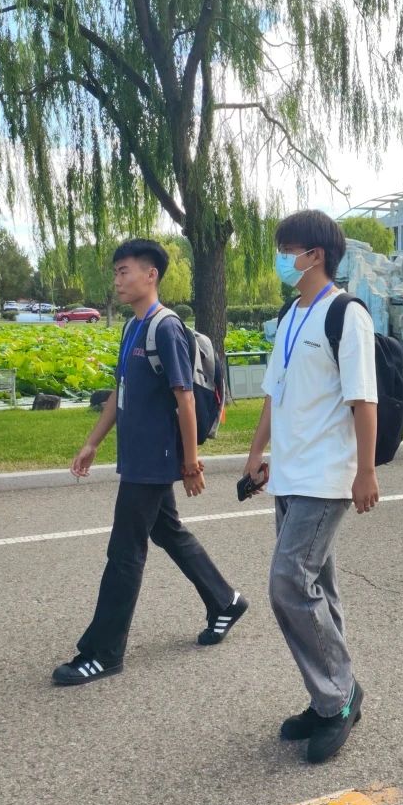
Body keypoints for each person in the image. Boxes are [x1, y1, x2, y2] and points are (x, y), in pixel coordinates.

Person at [55, 239, 246, 687]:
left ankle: (104, 653)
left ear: (150, 275)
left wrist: (191, 464)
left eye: (124, 271)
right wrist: (92, 443)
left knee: (125, 553)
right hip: (137, 456)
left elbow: (185, 400)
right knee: (168, 532)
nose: (117, 280)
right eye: (116, 272)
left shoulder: (165, 328)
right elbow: (119, 394)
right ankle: (226, 601)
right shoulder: (131, 328)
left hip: (154, 461)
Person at [242, 210, 379, 764]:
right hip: (291, 473)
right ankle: (332, 695)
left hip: (327, 475)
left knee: (288, 583)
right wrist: (257, 453)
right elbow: (274, 393)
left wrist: (365, 471)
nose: (281, 260)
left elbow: (363, 400)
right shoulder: (290, 314)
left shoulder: (347, 314)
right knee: (317, 585)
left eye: (286, 250)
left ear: (314, 255)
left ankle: (338, 697)